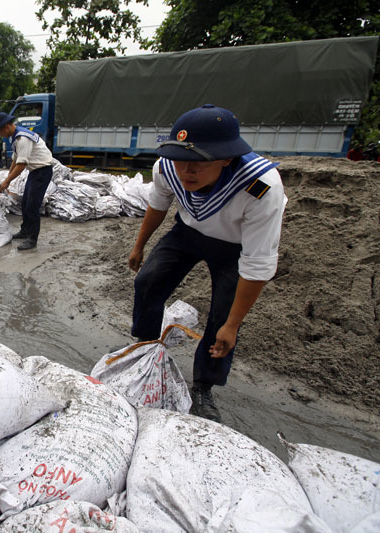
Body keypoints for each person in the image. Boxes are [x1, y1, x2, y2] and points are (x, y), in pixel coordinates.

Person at [128, 104, 285, 423]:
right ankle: (145, 352)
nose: (187, 171)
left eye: (198, 162)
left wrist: (233, 325)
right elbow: (158, 206)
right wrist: (139, 245)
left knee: (222, 319)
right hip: (188, 231)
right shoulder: (166, 168)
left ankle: (204, 386)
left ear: (227, 158)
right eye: (181, 160)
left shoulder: (260, 187)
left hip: (235, 246)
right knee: (148, 281)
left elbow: (257, 264)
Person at [0, 112, 53, 251]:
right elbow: (15, 159)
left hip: (42, 171)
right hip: (35, 171)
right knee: (25, 202)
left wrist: (7, 182)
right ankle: (25, 231)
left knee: (32, 205)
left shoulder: (22, 138)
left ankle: (32, 239)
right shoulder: (14, 137)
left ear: (6, 126)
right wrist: (8, 175)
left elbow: (21, 164)